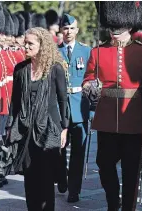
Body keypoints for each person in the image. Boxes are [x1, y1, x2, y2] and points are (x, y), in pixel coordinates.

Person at [83, 2, 142, 210]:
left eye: (119, 27)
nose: (114, 31)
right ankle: (112, 202)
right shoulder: (97, 52)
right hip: (107, 116)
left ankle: (128, 207)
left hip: (134, 119)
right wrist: (90, 86)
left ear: (129, 26)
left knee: (131, 170)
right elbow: (88, 77)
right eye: (112, 26)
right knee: (103, 164)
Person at [6, 27, 69, 211]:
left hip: (48, 129)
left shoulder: (55, 69)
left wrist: (64, 128)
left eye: (30, 43)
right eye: (25, 42)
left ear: (42, 46)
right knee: (30, 177)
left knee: (46, 178)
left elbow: (62, 99)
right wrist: (11, 126)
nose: (25, 46)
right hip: (25, 129)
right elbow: (15, 101)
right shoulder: (20, 69)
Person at [58, 13, 91, 203]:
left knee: (78, 152)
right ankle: (61, 177)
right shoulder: (54, 51)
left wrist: (92, 109)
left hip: (80, 107)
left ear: (77, 30)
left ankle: (74, 190)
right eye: (65, 28)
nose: (68, 31)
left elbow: (92, 80)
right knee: (58, 150)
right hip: (60, 108)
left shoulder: (86, 52)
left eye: (72, 28)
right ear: (61, 30)